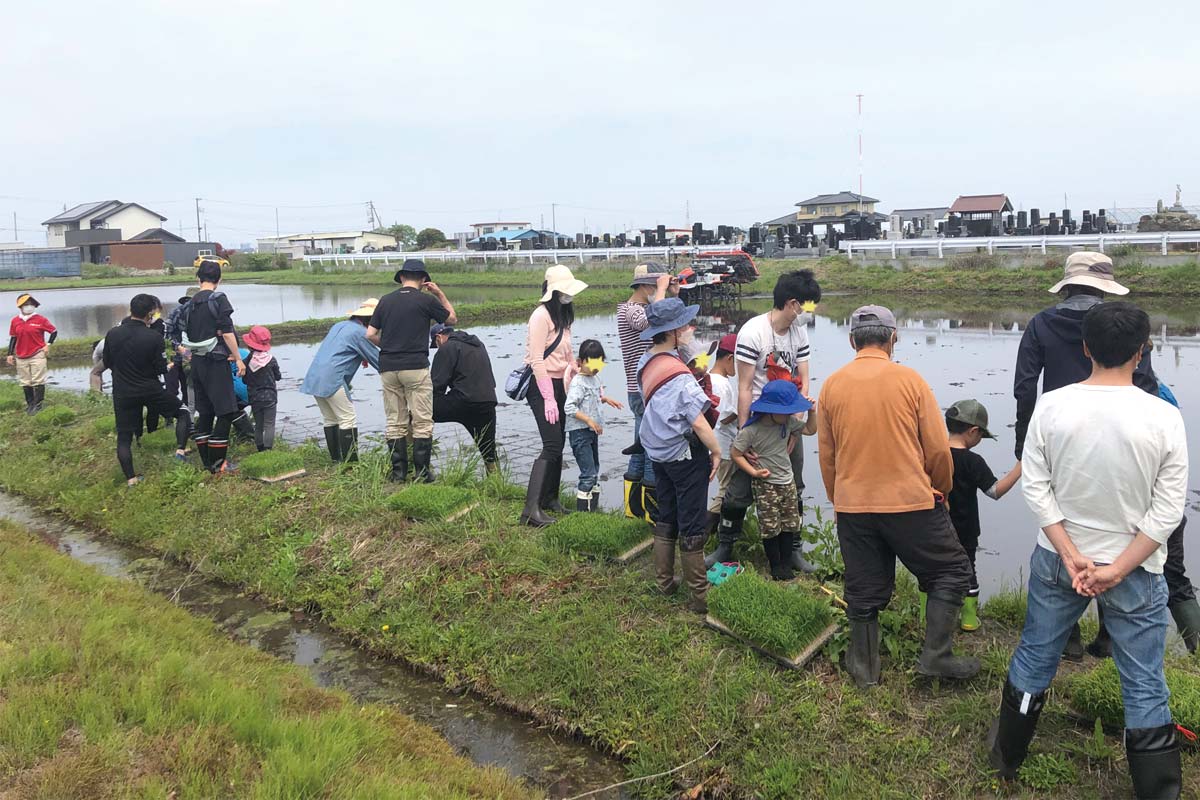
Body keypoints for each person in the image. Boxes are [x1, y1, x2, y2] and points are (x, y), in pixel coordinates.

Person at [989, 302, 1187, 799]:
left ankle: (1005, 758)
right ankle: (1157, 790)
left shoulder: (1052, 406)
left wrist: (1071, 552)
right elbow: (1168, 512)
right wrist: (1117, 568)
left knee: (1037, 652)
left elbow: (1036, 488)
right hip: (1137, 570)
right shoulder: (1165, 415)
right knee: (1144, 677)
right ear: (1141, 352)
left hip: (1059, 561)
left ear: (1085, 348)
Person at [1013, 251, 1200, 660]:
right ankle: (1116, 637)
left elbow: (1026, 387)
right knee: (1131, 540)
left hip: (1063, 446)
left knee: (1069, 534)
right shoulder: (1131, 325)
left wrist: (1025, 448)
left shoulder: (1042, 324)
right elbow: (1146, 384)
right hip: (1129, 448)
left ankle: (1067, 639)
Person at [817, 305, 978, 688]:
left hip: (853, 504)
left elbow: (827, 456)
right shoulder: (911, 381)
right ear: (893, 338)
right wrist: (943, 488)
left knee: (863, 588)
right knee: (952, 572)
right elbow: (939, 451)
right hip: (911, 502)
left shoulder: (831, 386)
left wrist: (840, 501)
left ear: (853, 340)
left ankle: (864, 670)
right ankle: (936, 657)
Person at [707, 270, 821, 571]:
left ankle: (793, 550)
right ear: (793, 303)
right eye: (809, 306)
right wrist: (746, 436)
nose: (811, 311)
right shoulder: (753, 332)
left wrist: (795, 425)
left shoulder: (800, 331)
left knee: (793, 484)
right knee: (739, 489)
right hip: (758, 420)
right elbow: (744, 387)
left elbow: (803, 379)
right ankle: (725, 547)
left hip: (788, 420)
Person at [638, 298, 722, 613]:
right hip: (684, 456)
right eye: (684, 325)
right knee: (691, 522)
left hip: (658, 452)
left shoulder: (644, 362)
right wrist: (716, 451)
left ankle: (664, 581)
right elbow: (699, 422)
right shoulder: (681, 377)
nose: (689, 329)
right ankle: (699, 598)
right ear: (672, 331)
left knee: (666, 513)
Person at [367, 259, 455, 483]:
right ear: (424, 280)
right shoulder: (425, 300)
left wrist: (387, 346)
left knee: (395, 420)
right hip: (415, 366)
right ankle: (422, 474)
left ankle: (398, 475)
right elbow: (451, 319)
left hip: (388, 367)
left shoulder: (385, 301)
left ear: (402, 277)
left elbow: (370, 334)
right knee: (422, 420)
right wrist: (439, 293)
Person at [944, 399, 1022, 631]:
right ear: (973, 431)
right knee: (968, 570)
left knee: (934, 572)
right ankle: (968, 619)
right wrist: (1020, 468)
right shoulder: (973, 461)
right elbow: (994, 491)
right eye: (981, 436)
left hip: (935, 527)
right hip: (965, 530)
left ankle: (929, 618)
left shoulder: (934, 454)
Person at [520, 264, 588, 527]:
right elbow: (537, 359)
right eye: (564, 291)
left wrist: (577, 369)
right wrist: (548, 397)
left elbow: (566, 353)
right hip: (541, 385)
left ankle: (550, 499)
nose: (568, 296)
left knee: (559, 442)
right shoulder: (540, 316)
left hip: (561, 384)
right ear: (553, 291)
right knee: (551, 445)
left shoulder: (563, 315)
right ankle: (530, 509)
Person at [730, 380, 816, 581]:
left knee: (789, 524)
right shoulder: (752, 430)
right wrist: (753, 472)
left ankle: (786, 563)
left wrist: (812, 411)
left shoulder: (788, 422)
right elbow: (736, 453)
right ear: (770, 410)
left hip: (788, 482)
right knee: (770, 527)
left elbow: (811, 430)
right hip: (766, 484)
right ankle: (775, 566)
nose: (788, 415)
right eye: (785, 411)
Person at [103, 293, 190, 485]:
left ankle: (132, 480)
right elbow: (160, 368)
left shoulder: (113, 333)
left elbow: (108, 362)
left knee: (124, 436)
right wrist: (167, 367)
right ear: (150, 313)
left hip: (123, 391)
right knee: (183, 412)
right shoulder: (153, 337)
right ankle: (180, 451)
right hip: (150, 389)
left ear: (132, 310)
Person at [616, 262, 677, 520]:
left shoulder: (644, 308)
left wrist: (672, 293)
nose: (655, 289)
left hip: (646, 389)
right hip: (641, 390)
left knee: (641, 447)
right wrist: (663, 291)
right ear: (642, 285)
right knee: (653, 448)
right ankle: (653, 513)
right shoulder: (630, 310)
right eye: (653, 285)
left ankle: (634, 511)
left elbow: (668, 318)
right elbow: (651, 320)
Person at [181, 260, 244, 474]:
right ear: (219, 279)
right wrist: (238, 358)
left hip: (197, 362)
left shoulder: (189, 303)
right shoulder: (219, 299)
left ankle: (207, 462)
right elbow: (226, 332)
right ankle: (219, 464)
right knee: (226, 411)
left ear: (198, 279)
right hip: (216, 362)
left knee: (206, 412)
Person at [301, 298, 381, 463]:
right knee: (347, 418)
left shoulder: (339, 326)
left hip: (315, 377)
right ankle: (351, 463)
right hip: (333, 379)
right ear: (372, 320)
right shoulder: (361, 333)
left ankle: (336, 460)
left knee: (330, 418)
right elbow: (379, 361)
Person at [564, 339, 623, 512]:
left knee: (594, 470)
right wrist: (589, 420)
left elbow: (592, 399)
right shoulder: (578, 382)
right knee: (588, 474)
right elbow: (569, 407)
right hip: (580, 432)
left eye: (600, 362)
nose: (596, 367)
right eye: (592, 363)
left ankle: (593, 511)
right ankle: (583, 515)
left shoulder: (594, 378)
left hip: (591, 432)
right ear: (580, 362)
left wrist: (605, 399)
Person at [430, 322, 499, 472]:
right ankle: (496, 480)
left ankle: (418, 465)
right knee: (488, 448)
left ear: (438, 338)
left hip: (462, 401)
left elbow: (437, 385)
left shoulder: (447, 348)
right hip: (487, 401)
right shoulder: (478, 344)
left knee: (418, 413)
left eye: (436, 345)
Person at [705, 334, 739, 534]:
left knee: (726, 488)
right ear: (729, 359)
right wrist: (742, 413)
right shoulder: (720, 383)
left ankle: (715, 530)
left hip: (717, 444)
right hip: (723, 446)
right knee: (727, 489)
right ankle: (706, 530)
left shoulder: (710, 377)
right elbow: (722, 416)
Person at [7, 293, 57, 415]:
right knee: (25, 381)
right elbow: (13, 337)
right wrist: (10, 354)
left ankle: (38, 405)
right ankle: (30, 404)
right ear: (20, 307)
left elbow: (53, 331)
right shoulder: (15, 321)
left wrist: (48, 344)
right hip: (21, 355)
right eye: (26, 305)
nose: (29, 307)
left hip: (37, 353)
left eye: (31, 304)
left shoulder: (40, 319)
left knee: (38, 380)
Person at [242, 326, 281, 452]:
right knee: (269, 424)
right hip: (270, 396)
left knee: (258, 425)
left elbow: (244, 379)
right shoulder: (271, 359)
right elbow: (278, 376)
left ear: (249, 345)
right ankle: (268, 450)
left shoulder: (247, 361)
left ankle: (260, 449)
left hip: (254, 397)